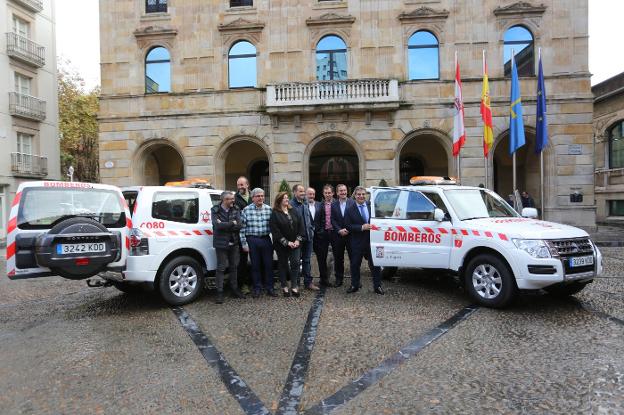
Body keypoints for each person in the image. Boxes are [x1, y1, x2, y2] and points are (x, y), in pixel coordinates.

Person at [345, 186, 383, 295]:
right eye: (359, 194)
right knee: (355, 265)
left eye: (363, 194)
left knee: (375, 265)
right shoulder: (350, 209)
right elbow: (348, 225)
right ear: (355, 196)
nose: (361, 196)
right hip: (357, 242)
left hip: (372, 242)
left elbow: (379, 220)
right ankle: (354, 285)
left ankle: (377, 286)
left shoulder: (372, 206)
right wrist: (361, 227)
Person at [240, 188, 276, 298]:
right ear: (253, 198)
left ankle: (270, 287)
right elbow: (242, 229)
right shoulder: (246, 210)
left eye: (262, 196)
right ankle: (257, 288)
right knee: (255, 265)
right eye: (258, 196)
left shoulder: (269, 209)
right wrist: (244, 244)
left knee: (269, 264)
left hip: (266, 239)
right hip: (252, 240)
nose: (260, 198)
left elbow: (274, 228)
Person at [211, 191, 246, 304]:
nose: (233, 200)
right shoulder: (215, 210)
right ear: (224, 200)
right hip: (221, 244)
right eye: (230, 199)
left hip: (234, 243)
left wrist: (225, 224)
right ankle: (219, 292)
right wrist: (232, 223)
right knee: (221, 268)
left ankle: (234, 290)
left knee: (234, 267)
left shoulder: (235, 209)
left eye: (233, 198)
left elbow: (240, 225)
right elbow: (217, 226)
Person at [270, 191, 305, 297]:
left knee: (295, 263)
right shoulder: (275, 213)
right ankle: (284, 286)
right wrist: (287, 242)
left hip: (296, 243)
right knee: (283, 265)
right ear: (279, 200)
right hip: (282, 245)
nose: (286, 199)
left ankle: (294, 286)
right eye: (284, 198)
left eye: (287, 198)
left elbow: (301, 226)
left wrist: (298, 240)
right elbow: (275, 231)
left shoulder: (293, 210)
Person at [291, 184, 319, 291]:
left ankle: (308, 283)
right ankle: (296, 284)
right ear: (294, 192)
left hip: (308, 237)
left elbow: (309, 219)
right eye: (300, 191)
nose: (303, 193)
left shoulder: (305, 203)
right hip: (298, 239)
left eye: (303, 191)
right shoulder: (290, 205)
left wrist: (312, 229)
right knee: (296, 261)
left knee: (307, 261)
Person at [330, 184, 354, 287]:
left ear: (347, 191)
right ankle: (339, 279)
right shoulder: (333, 204)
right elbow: (332, 219)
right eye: (341, 191)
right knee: (338, 259)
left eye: (344, 190)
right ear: (337, 193)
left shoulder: (353, 203)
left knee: (354, 258)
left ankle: (355, 279)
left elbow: (355, 219)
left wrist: (348, 229)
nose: (343, 192)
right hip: (338, 236)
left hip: (351, 235)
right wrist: (339, 230)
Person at [314, 184, 337, 287]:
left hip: (335, 233)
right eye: (326, 193)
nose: (328, 195)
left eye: (329, 193)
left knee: (337, 257)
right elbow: (316, 220)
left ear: (333, 193)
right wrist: (319, 232)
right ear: (323, 194)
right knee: (321, 258)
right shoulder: (319, 205)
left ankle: (338, 279)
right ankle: (323, 280)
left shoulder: (337, 204)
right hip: (323, 234)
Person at [234, 176, 252, 295]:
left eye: (242, 184)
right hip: (241, 234)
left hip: (254, 232)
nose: (240, 187)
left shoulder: (254, 196)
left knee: (256, 260)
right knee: (242, 261)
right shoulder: (234, 198)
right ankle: (243, 285)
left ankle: (255, 282)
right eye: (238, 185)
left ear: (247, 185)